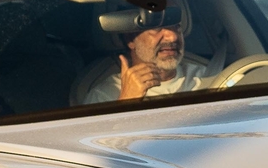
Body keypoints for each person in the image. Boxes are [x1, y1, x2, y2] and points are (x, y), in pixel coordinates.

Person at [80, 10, 218, 106]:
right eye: (157, 28)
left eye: (177, 27)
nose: (173, 36)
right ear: (131, 40)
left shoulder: (209, 78)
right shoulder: (105, 94)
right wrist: (128, 101)